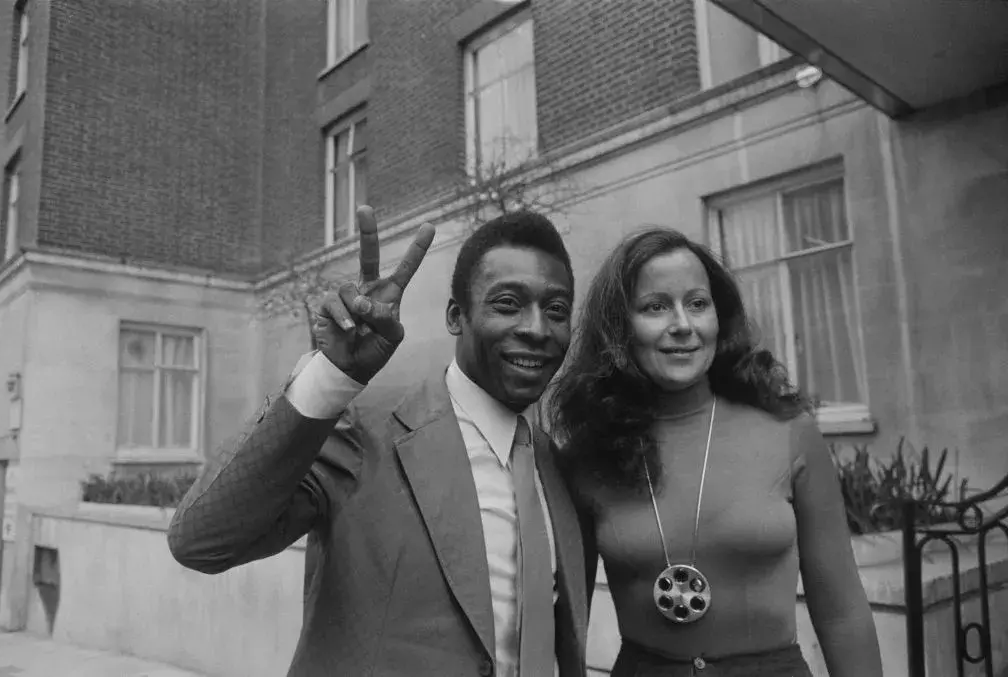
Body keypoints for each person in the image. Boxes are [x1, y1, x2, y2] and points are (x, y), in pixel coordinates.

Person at [167, 206, 591, 677]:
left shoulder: (561, 469)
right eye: (508, 304)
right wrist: (330, 377)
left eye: (556, 310)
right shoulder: (363, 432)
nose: (536, 329)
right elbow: (200, 542)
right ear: (457, 316)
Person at [547, 228, 883, 676]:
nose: (682, 324)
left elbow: (842, 611)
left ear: (718, 317)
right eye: (655, 306)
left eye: (697, 303)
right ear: (619, 326)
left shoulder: (789, 432)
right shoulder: (588, 455)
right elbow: (570, 623)